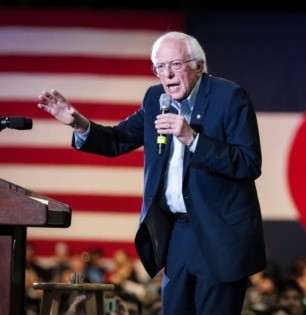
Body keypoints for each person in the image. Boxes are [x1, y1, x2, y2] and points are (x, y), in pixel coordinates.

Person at [37, 31, 267, 314]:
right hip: (177, 234)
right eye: (159, 66)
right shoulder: (155, 97)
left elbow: (248, 162)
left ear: (199, 65)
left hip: (219, 234)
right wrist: (79, 123)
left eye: (175, 65)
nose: (167, 74)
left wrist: (192, 139)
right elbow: (115, 140)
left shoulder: (230, 97)